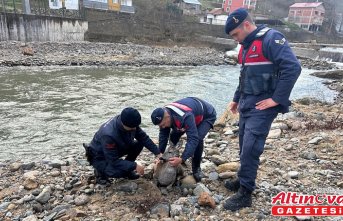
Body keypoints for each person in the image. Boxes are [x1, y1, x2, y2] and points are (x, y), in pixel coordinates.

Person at [223, 8, 301, 211]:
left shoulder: (271, 39)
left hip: (262, 106)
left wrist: (276, 99)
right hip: (247, 103)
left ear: (246, 25)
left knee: (251, 148)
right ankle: (242, 179)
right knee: (243, 144)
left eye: (236, 35)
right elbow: (245, 75)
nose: (235, 40)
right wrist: (235, 99)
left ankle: (245, 194)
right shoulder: (246, 46)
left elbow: (292, 67)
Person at [84, 107, 161, 184]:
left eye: (136, 126)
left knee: (140, 143)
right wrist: (134, 166)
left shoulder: (129, 121)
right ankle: (100, 173)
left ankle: (127, 169)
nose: (135, 129)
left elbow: (143, 138)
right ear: (124, 124)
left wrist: (157, 153)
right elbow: (113, 161)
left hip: (117, 147)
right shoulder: (109, 135)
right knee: (120, 173)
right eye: (132, 127)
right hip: (100, 157)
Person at [151, 97, 217, 182]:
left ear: (167, 116)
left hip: (206, 115)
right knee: (174, 135)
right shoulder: (164, 115)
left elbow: (193, 139)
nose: (163, 127)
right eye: (160, 126)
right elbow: (163, 135)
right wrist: (160, 153)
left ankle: (196, 168)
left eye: (163, 124)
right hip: (192, 112)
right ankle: (173, 154)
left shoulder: (185, 116)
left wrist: (182, 159)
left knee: (198, 139)